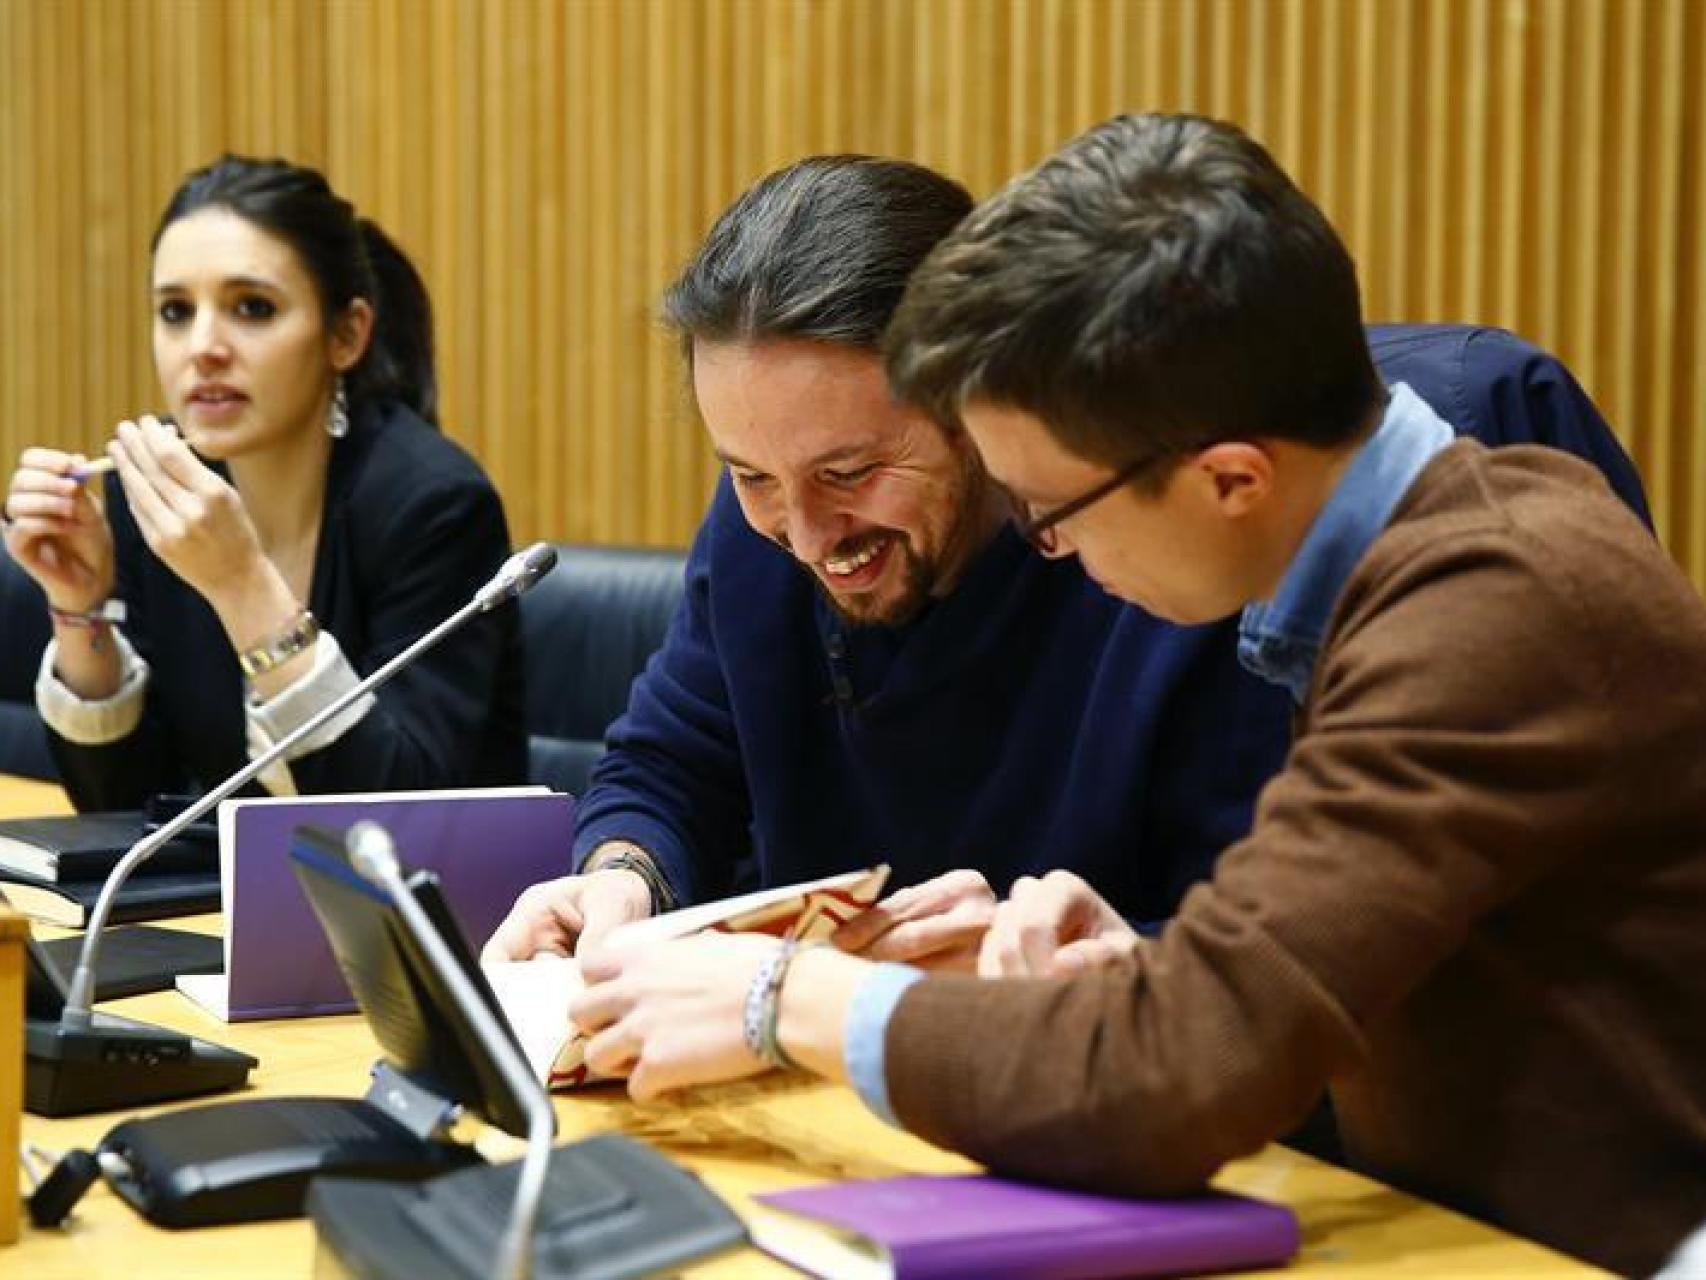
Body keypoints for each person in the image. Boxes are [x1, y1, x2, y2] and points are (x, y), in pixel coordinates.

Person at [567, 115, 1706, 1276]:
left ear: (1227, 479)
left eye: (1054, 509)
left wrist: (781, 993)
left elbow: (1183, 1068)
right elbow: (1284, 997)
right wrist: (1132, 972)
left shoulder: (1484, 609)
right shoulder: (1433, 556)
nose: (1049, 548)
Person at [484, 154, 1298, 968]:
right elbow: (671, 761)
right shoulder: (753, 532)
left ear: (976, 405)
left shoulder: (1158, 565)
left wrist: (1049, 964)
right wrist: (624, 878)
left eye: (851, 474)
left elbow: (1268, 954)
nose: (805, 536)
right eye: (751, 475)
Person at [1, 155, 525, 808]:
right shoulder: (162, 491)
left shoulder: (434, 504)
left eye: (251, 308)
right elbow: (128, 808)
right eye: (175, 311)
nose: (203, 347)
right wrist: (81, 610)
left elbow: (398, 811)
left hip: (444, 904)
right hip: (219, 907)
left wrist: (241, 586)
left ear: (346, 335)